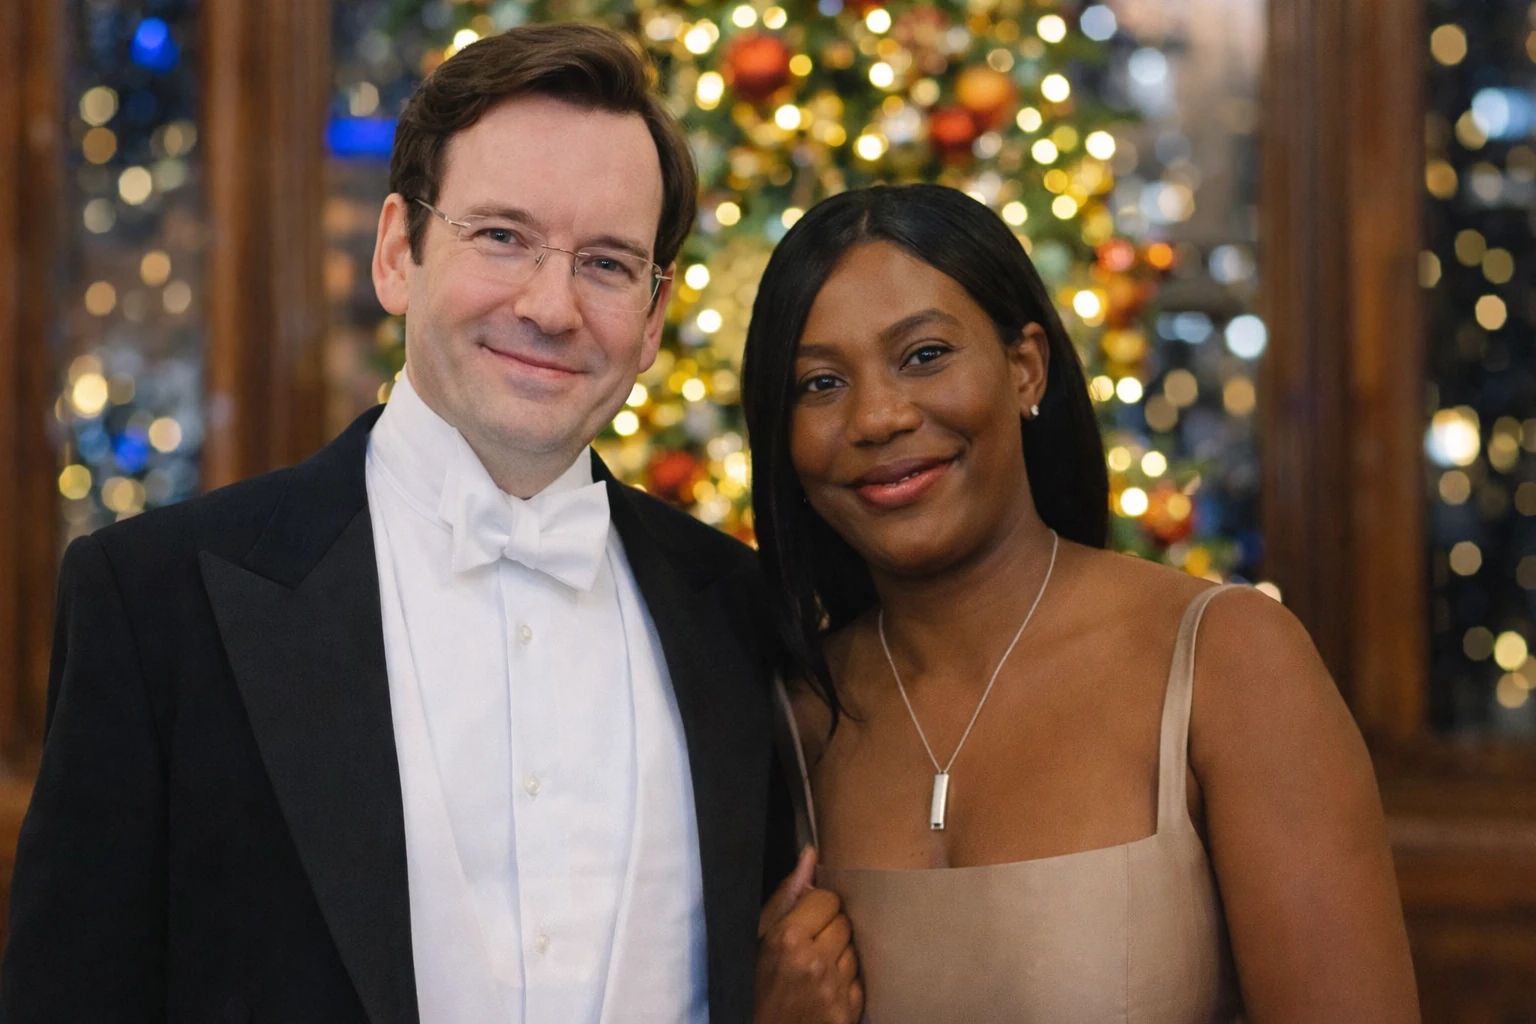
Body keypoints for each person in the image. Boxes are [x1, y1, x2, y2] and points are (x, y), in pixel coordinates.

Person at [1, 24, 859, 1024]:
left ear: (654, 318)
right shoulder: (156, 601)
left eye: (608, 263)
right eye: (502, 236)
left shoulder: (741, 614)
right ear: (397, 253)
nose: (551, 306)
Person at [740, 183, 1421, 1022]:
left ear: (1025, 367)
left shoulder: (1225, 658)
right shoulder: (790, 714)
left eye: (924, 355)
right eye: (819, 383)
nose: (877, 417)